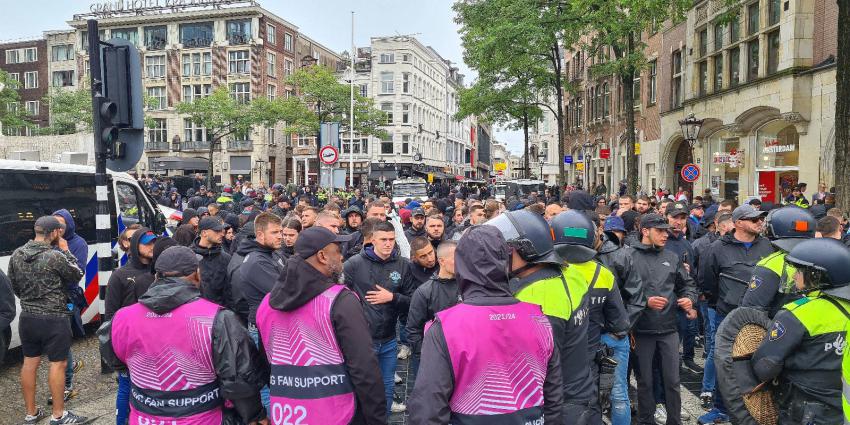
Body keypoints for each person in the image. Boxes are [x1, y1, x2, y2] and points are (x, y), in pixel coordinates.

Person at [408, 225, 563, 424]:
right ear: (506, 262)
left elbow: (428, 410)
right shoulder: (539, 319)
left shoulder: (445, 327)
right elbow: (554, 397)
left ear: (462, 264)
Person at [99, 246, 268, 425]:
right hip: (204, 418)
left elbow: (114, 358)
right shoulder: (217, 319)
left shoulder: (122, 319)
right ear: (197, 274)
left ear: (156, 277)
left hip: (144, 418)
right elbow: (239, 380)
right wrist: (255, 415)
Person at [256, 227, 387, 424]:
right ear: (323, 256)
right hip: (338, 414)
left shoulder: (266, 303)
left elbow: (266, 364)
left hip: (288, 413)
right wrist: (377, 419)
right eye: (338, 250)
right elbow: (364, 369)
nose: (342, 257)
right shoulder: (340, 301)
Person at [486, 210, 592, 422]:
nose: (498, 255)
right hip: (578, 391)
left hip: (554, 403)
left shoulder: (536, 296)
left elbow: (533, 368)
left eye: (505, 249)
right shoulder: (570, 273)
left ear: (525, 251)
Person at [752, 238, 850, 423]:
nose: (795, 275)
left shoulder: (797, 313)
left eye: (800, 271)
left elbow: (764, 367)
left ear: (817, 276)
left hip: (804, 409)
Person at [550, 210, 629, 424]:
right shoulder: (603, 274)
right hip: (587, 363)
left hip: (549, 363)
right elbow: (620, 322)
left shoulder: (541, 274)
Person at [698, 205, 775, 424]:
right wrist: (723, 301)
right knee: (726, 365)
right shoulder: (717, 249)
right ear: (738, 222)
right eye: (754, 219)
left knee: (759, 364)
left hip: (761, 319)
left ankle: (759, 409)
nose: (759, 222)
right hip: (728, 317)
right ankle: (721, 409)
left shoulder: (768, 246)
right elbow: (707, 282)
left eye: (760, 218)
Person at [8, 216, 87, 425]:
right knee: (58, 364)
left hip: (27, 318)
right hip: (54, 318)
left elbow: (14, 285)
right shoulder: (54, 256)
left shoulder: (17, 254)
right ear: (54, 233)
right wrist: (65, 249)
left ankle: (31, 413)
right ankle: (58, 415)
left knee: (29, 363)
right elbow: (77, 274)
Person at [629, 214, 697, 425]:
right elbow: (619, 294)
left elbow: (687, 284)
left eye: (666, 230)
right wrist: (645, 301)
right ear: (645, 231)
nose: (665, 234)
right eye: (660, 230)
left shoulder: (672, 256)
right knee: (645, 382)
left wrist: (688, 299)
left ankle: (674, 421)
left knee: (673, 381)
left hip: (669, 329)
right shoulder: (627, 256)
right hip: (641, 330)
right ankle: (646, 421)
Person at [344, 220, 415, 414]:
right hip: (363, 340)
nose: (388, 243)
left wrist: (392, 297)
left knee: (387, 385)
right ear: (372, 240)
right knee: (362, 387)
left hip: (390, 339)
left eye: (391, 239)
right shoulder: (353, 264)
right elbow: (339, 297)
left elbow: (412, 300)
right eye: (383, 239)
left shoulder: (402, 265)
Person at [741, 206, 816, 317]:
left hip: (781, 330)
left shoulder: (770, 265)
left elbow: (751, 311)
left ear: (772, 231)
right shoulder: (825, 259)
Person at [405, 240, 458, 378]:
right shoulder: (424, 292)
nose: (461, 261)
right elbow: (413, 329)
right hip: (434, 359)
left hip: (460, 356)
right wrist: (425, 356)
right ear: (442, 261)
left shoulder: (468, 286)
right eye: (456, 258)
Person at [51, 209, 88, 403]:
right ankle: (67, 370)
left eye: (62, 224)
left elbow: (78, 272)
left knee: (61, 341)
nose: (58, 228)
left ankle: (67, 384)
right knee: (55, 343)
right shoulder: (48, 242)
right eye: (54, 224)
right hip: (49, 299)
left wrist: (64, 250)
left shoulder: (78, 243)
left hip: (67, 297)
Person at [193, 216, 234, 310]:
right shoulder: (189, 256)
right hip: (194, 314)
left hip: (219, 315)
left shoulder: (226, 258)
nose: (222, 234)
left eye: (222, 231)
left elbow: (230, 292)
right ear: (204, 233)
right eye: (217, 231)